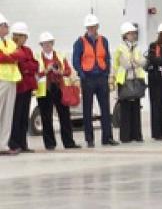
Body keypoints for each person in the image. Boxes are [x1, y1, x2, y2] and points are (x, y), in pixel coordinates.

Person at [73, 15, 117, 147]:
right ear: (86, 28)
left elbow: (107, 57)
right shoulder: (80, 42)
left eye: (93, 26)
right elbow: (75, 60)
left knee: (105, 108)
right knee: (87, 109)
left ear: (97, 27)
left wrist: (106, 73)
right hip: (88, 78)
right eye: (89, 27)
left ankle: (107, 138)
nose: (91, 29)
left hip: (101, 78)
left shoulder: (104, 40)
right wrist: (81, 74)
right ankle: (89, 139)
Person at [35, 32, 80, 150]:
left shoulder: (60, 55)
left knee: (65, 116)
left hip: (59, 88)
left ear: (52, 43)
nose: (47, 46)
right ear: (41, 45)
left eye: (49, 43)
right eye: (44, 44)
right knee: (46, 117)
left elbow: (68, 71)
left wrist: (60, 72)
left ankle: (69, 142)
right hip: (45, 90)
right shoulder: (37, 57)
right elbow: (36, 75)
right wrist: (46, 70)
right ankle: (50, 143)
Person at [7, 22, 38, 154]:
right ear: (17, 36)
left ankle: (22, 143)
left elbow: (35, 65)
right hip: (17, 87)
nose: (25, 39)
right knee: (15, 116)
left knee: (24, 116)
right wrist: (26, 68)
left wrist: (26, 67)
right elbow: (21, 66)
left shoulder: (27, 50)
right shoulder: (11, 48)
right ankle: (13, 143)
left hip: (27, 87)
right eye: (24, 36)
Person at [113, 22, 146, 144]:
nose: (133, 35)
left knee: (136, 108)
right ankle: (125, 136)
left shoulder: (137, 47)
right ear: (125, 35)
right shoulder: (120, 48)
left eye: (134, 33)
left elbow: (143, 62)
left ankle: (137, 135)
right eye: (131, 33)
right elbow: (125, 64)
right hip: (124, 81)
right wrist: (135, 62)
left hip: (136, 80)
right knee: (125, 109)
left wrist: (135, 61)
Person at [0, 13, 21, 156]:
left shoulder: (10, 43)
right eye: (5, 25)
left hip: (12, 80)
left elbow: (20, 55)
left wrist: (9, 57)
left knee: (8, 114)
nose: (7, 27)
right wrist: (10, 57)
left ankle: (3, 145)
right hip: (1, 79)